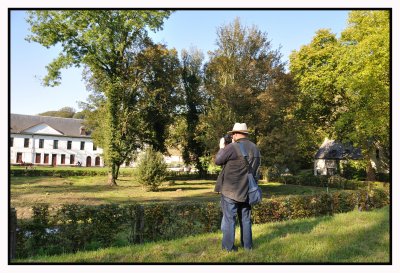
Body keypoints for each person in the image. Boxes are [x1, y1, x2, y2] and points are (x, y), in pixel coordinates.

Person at [214, 123, 261, 252]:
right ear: (246, 134)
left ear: (235, 134)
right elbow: (256, 170)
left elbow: (218, 161)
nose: (231, 136)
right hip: (248, 190)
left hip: (231, 191)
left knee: (229, 219)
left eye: (232, 134)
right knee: (245, 219)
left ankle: (229, 248)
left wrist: (222, 147)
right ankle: (248, 247)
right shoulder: (255, 148)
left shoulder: (232, 147)